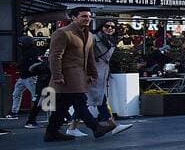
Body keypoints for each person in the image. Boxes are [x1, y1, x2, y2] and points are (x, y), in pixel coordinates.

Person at [45, 8, 116, 142]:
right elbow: (55, 57)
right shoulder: (62, 33)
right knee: (80, 101)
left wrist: (93, 73)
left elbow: (89, 57)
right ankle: (96, 127)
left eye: (89, 16)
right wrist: (57, 75)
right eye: (83, 16)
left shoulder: (88, 35)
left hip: (79, 76)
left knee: (62, 106)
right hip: (66, 77)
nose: (87, 19)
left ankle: (51, 132)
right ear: (73, 18)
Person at [86, 19, 117, 123]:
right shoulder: (93, 37)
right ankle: (112, 124)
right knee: (93, 98)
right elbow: (86, 55)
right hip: (93, 72)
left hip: (102, 72)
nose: (110, 28)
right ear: (101, 27)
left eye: (112, 27)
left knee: (94, 98)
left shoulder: (111, 40)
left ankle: (72, 126)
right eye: (107, 26)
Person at [9, 34, 40, 118]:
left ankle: (34, 115)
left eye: (21, 43)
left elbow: (28, 64)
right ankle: (14, 112)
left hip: (30, 77)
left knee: (36, 96)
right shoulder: (28, 51)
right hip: (24, 76)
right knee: (16, 93)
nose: (20, 45)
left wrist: (18, 65)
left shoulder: (31, 52)